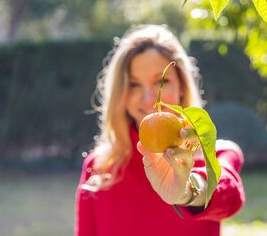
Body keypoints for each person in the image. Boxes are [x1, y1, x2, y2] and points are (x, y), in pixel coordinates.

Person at [74, 24, 245, 236]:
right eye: (134, 84)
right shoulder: (99, 167)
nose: (148, 98)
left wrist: (185, 191)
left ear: (182, 85)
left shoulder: (214, 155)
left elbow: (229, 197)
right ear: (121, 93)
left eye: (161, 82)